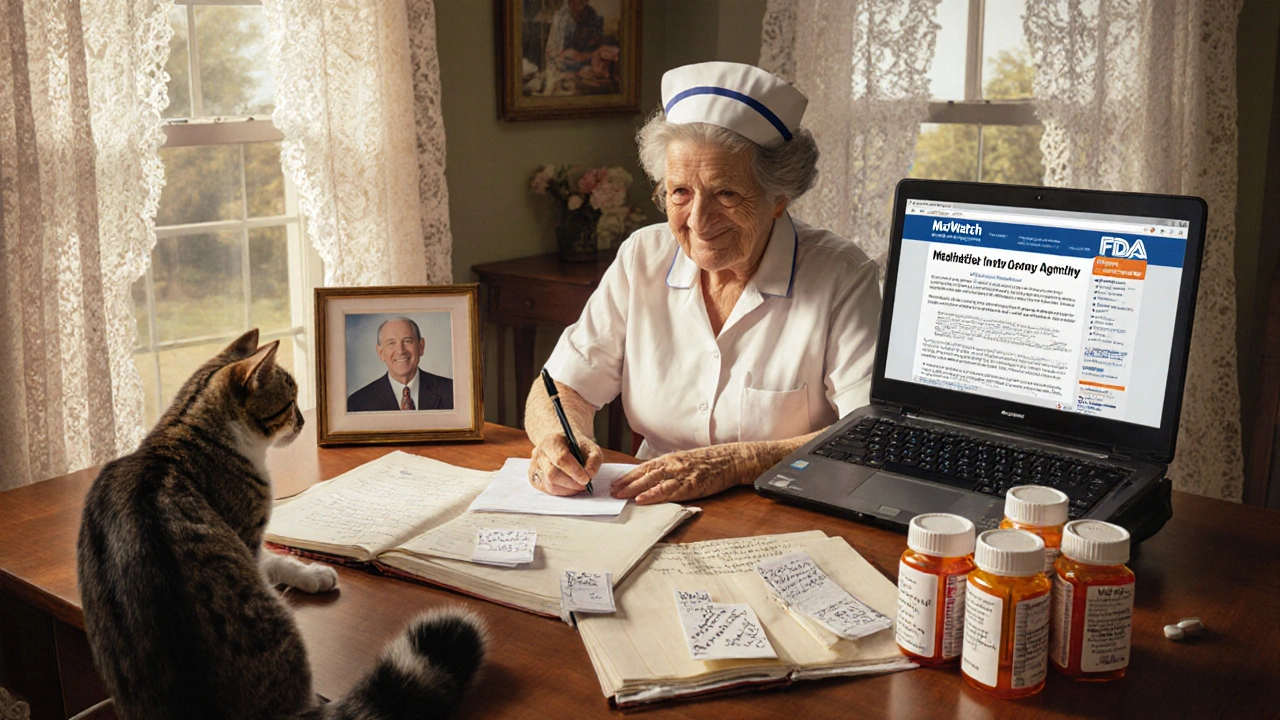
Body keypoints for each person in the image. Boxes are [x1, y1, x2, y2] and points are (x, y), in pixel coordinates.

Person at [525, 61, 881, 504]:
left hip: (784, 507)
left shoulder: (842, 276)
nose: (698, 221)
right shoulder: (642, 256)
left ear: (778, 199)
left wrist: (736, 463)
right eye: (680, 193)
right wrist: (561, 439)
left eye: (726, 194)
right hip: (649, 505)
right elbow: (563, 385)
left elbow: (869, 430)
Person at [347, 317, 453, 412]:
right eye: (391, 343)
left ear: (421, 347)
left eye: (407, 341)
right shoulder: (357, 403)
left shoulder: (452, 392)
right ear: (381, 353)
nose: (401, 351)